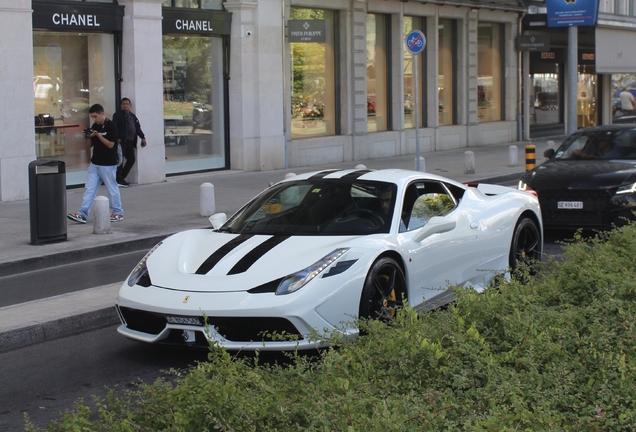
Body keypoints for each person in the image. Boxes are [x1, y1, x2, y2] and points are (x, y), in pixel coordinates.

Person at [67, 104, 123, 224]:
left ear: (102, 113)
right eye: (92, 117)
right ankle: (82, 213)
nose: (94, 119)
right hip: (95, 163)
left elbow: (110, 144)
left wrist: (98, 135)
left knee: (112, 188)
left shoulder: (111, 126)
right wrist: (88, 136)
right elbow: (90, 146)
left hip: (108, 164)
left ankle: (117, 212)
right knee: (90, 188)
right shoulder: (95, 125)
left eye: (95, 116)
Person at [113, 97, 146, 187]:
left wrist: (143, 137)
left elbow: (137, 128)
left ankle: (121, 177)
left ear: (130, 105)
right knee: (120, 160)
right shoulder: (117, 115)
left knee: (131, 159)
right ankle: (119, 180)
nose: (125, 106)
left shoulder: (133, 116)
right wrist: (116, 138)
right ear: (120, 105)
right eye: (123, 104)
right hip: (121, 141)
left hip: (130, 141)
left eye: (127, 104)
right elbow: (114, 127)